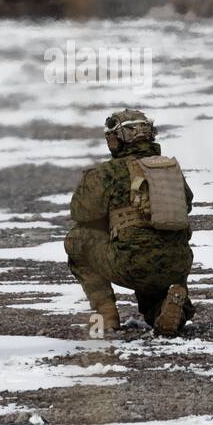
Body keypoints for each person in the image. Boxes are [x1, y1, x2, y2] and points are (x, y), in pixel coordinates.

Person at [65, 110, 195, 337]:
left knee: (77, 240)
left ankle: (106, 314)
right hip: (177, 263)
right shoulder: (169, 169)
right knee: (156, 297)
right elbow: (187, 204)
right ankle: (170, 308)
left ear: (116, 139)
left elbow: (81, 213)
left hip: (131, 262)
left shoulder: (107, 172)